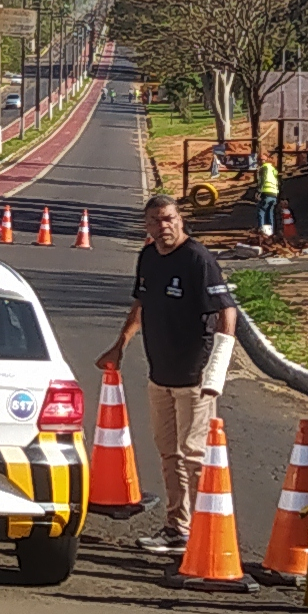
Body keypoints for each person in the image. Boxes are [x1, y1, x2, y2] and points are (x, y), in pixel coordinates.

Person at [97, 194, 238, 558]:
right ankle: (178, 528)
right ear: (147, 225)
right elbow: (141, 303)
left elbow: (227, 311)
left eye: (170, 218)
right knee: (168, 453)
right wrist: (120, 345)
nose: (165, 226)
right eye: (157, 220)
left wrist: (218, 365)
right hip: (160, 373)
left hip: (194, 376)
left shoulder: (197, 259)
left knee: (194, 454)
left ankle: (205, 530)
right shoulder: (148, 257)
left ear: (181, 219)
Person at [255, 150, 282, 241]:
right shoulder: (273, 169)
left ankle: (262, 233)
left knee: (261, 211)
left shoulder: (263, 169)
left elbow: (262, 181)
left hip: (266, 192)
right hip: (274, 193)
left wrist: (258, 191)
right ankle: (270, 232)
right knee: (270, 212)